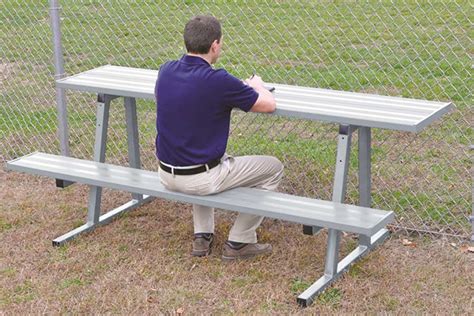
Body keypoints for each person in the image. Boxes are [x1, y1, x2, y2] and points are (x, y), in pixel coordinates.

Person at [155, 15, 284, 261]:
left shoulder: (166, 70)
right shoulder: (219, 81)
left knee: (198, 151)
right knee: (273, 168)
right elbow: (268, 105)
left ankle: (202, 236)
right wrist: (258, 86)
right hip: (201, 178)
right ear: (215, 45)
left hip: (165, 173)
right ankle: (240, 239)